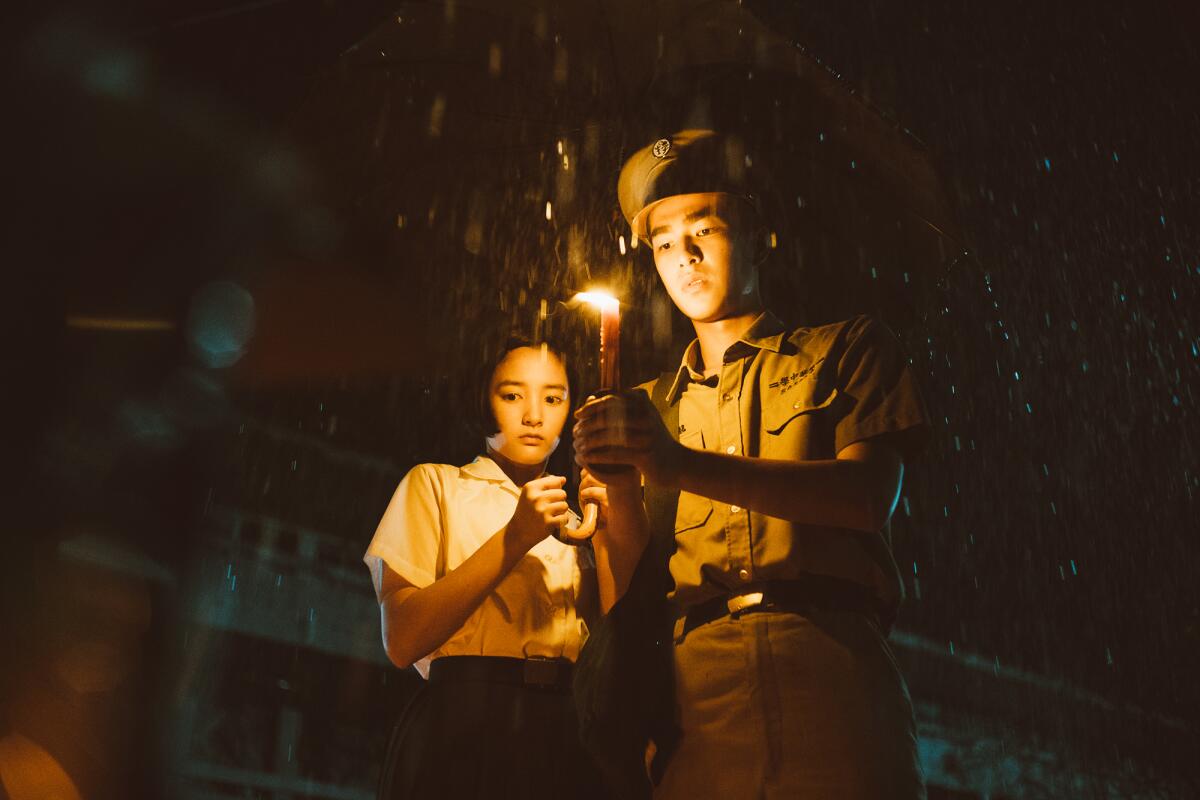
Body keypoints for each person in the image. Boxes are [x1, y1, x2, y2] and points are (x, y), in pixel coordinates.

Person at [573, 130, 931, 798]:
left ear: (761, 231)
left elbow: (864, 498)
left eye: (706, 226)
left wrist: (675, 464)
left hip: (830, 674)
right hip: (694, 707)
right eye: (664, 242)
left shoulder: (848, 349)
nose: (686, 256)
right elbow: (628, 600)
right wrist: (621, 487)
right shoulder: (650, 407)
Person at [363, 335, 605, 800]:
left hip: (564, 726)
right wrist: (515, 538)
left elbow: (607, 640)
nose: (533, 415)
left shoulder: (579, 523)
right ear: (482, 400)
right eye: (512, 395)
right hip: (464, 721)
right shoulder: (435, 485)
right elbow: (402, 637)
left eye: (553, 398)